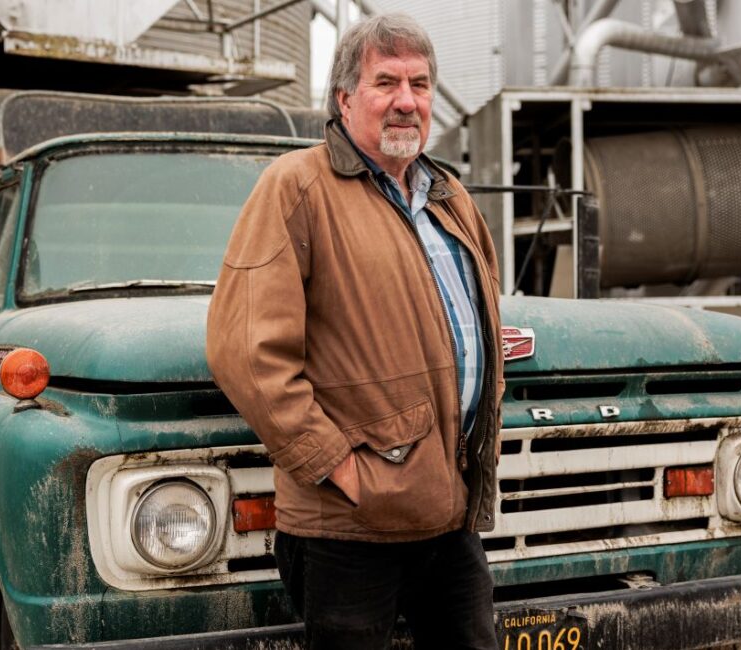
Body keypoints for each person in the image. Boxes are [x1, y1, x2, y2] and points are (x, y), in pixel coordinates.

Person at [206, 12, 504, 650]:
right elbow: (246, 352)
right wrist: (336, 464)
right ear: (344, 99)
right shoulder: (297, 188)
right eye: (386, 83)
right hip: (350, 529)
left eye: (420, 85)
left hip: (447, 516)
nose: (406, 102)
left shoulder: (449, 195)